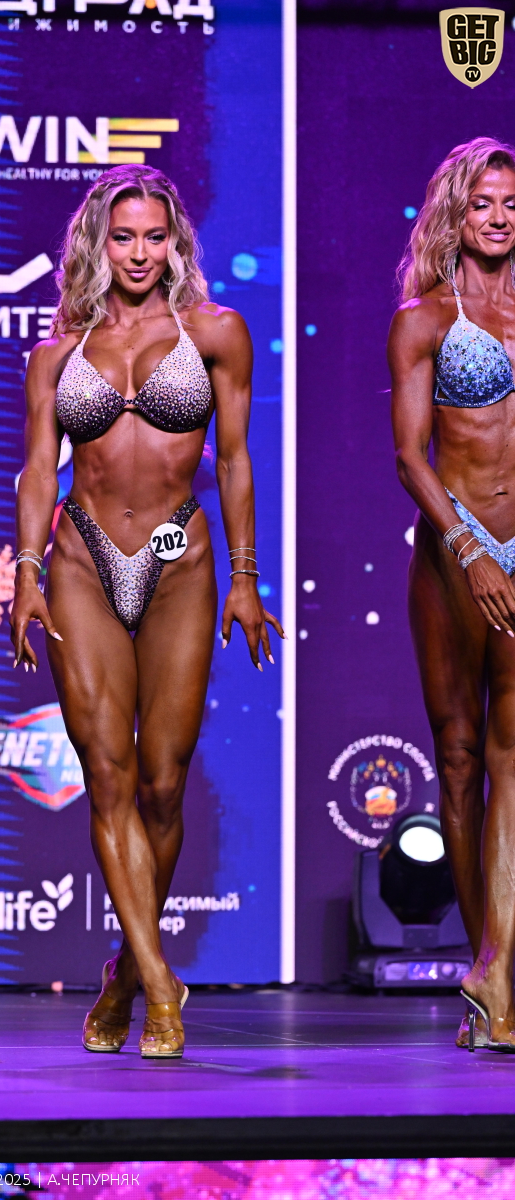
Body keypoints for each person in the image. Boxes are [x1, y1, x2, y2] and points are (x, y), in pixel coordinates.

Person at [10, 165, 283, 1058]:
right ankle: (163, 985)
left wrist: (246, 576)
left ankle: (127, 973)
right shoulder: (58, 352)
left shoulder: (216, 333)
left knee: (164, 784)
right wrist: (26, 573)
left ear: (176, 243)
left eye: (153, 237)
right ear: (99, 244)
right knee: (110, 775)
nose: (138, 253)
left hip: (179, 557)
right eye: (122, 237)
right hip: (82, 558)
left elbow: (234, 461)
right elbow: (37, 470)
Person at [389, 137, 515, 1052]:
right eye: (484, 203)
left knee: (514, 754)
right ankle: (484, 960)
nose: (500, 218)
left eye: (511, 204)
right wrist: (469, 547)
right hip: (453, 551)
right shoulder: (425, 318)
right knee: (463, 759)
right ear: (456, 214)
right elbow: (409, 455)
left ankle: (501, 972)